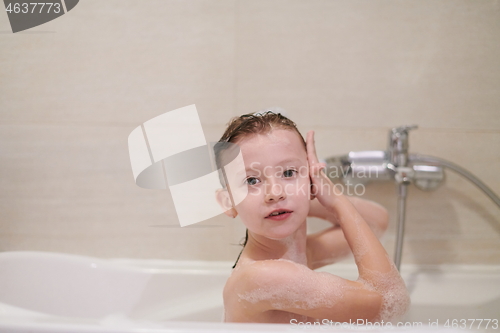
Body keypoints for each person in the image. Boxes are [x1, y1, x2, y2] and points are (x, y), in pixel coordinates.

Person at [215, 111, 410, 324]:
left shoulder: (296, 254)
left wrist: (308, 194)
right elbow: (391, 302)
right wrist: (333, 200)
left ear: (310, 180)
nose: (275, 192)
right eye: (252, 180)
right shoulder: (262, 277)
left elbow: (377, 222)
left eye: (288, 173)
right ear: (228, 202)